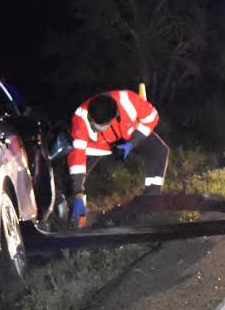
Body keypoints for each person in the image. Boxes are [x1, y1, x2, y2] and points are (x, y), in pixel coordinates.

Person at [66, 89, 170, 224]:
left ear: (115, 116)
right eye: (95, 126)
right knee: (73, 181)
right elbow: (77, 157)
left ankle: (151, 201)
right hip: (97, 146)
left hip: (129, 136)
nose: (97, 129)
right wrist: (78, 193)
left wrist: (131, 144)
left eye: (102, 126)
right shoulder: (80, 118)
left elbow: (152, 117)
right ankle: (72, 215)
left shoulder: (128, 101)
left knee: (159, 150)